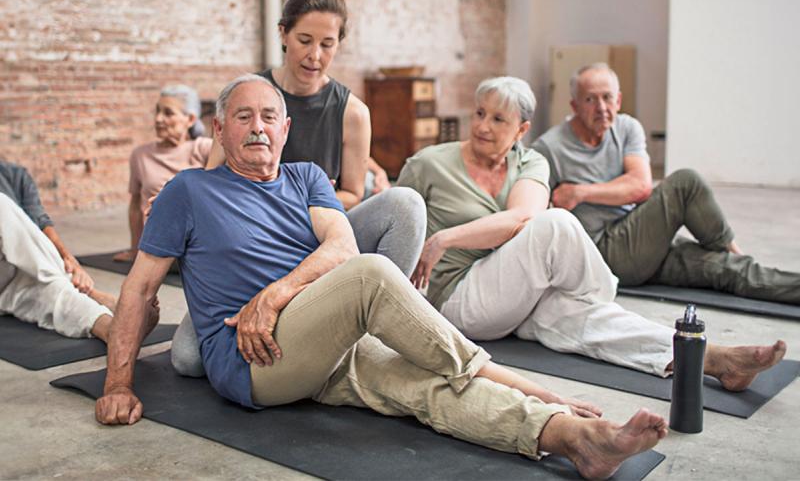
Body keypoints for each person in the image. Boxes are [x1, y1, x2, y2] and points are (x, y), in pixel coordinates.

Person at [95, 75, 669, 480]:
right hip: (255, 361)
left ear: (286, 127)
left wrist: (276, 293)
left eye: (269, 116)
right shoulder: (189, 192)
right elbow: (140, 289)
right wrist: (118, 385)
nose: (258, 128)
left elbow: (340, 242)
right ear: (219, 129)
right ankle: (528, 384)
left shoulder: (304, 178)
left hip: (321, 340)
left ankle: (570, 438)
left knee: (425, 389)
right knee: (373, 275)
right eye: (242, 117)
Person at [397, 76, 785, 389]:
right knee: (559, 224)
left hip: (520, 293)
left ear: (521, 129)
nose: (483, 126)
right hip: (463, 299)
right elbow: (397, 220)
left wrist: (445, 237)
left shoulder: (530, 162)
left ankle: (712, 359)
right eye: (480, 113)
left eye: (499, 119)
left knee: (595, 324)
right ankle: (601, 292)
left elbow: (521, 217)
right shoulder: (430, 163)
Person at [171, 0, 426, 377]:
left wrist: (297, 204)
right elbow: (211, 186)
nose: (315, 55)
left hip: (319, 235)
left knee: (404, 204)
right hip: (250, 246)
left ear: (339, 45)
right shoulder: (247, 97)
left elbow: (353, 194)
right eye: (304, 40)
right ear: (283, 34)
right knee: (188, 360)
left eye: (327, 43)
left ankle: (366, 326)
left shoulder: (352, 113)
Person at [533, 62, 800, 304]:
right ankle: (734, 249)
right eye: (590, 99)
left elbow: (640, 187)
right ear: (574, 106)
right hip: (606, 254)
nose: (601, 108)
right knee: (686, 182)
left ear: (618, 100)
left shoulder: (627, 127)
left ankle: (756, 267)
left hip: (642, 236)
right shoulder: (550, 148)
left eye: (607, 98)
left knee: (728, 269)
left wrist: (580, 192)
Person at [0, 161, 158, 340]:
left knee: (52, 292)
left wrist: (70, 261)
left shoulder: (15, 173)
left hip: (13, 274)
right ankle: (91, 293)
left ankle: (112, 331)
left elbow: (39, 221)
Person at [112, 85, 213, 263]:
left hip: (197, 245)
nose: (158, 119)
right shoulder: (140, 154)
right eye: (157, 111)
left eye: (168, 113)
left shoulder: (204, 148)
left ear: (190, 119)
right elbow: (135, 206)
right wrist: (134, 249)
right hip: (157, 246)